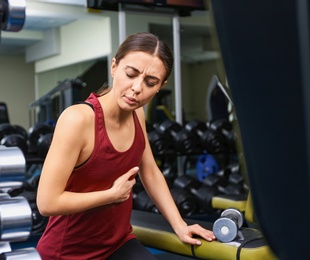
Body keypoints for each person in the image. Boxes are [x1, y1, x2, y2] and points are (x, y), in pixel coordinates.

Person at [36, 32, 215, 260]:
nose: (137, 88)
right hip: (69, 251)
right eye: (130, 74)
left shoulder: (136, 114)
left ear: (160, 86)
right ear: (114, 67)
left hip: (117, 243)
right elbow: (47, 202)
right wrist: (111, 195)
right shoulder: (77, 120)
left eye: (151, 82)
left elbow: (149, 171)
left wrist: (180, 225)